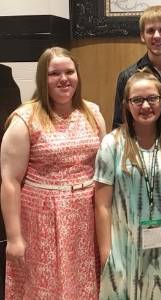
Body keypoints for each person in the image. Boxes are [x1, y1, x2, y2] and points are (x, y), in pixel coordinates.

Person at [0, 47, 106, 299]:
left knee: (84, 285)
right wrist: (14, 237)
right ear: (41, 78)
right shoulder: (25, 119)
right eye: (54, 73)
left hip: (86, 218)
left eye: (69, 71)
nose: (63, 78)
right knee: (44, 287)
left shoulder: (93, 113)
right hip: (41, 219)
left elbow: (103, 167)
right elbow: (10, 180)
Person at [94, 69, 161, 299]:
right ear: (127, 105)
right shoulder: (111, 145)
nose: (146, 106)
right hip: (124, 247)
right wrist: (106, 253)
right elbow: (102, 205)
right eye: (137, 100)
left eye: (152, 99)